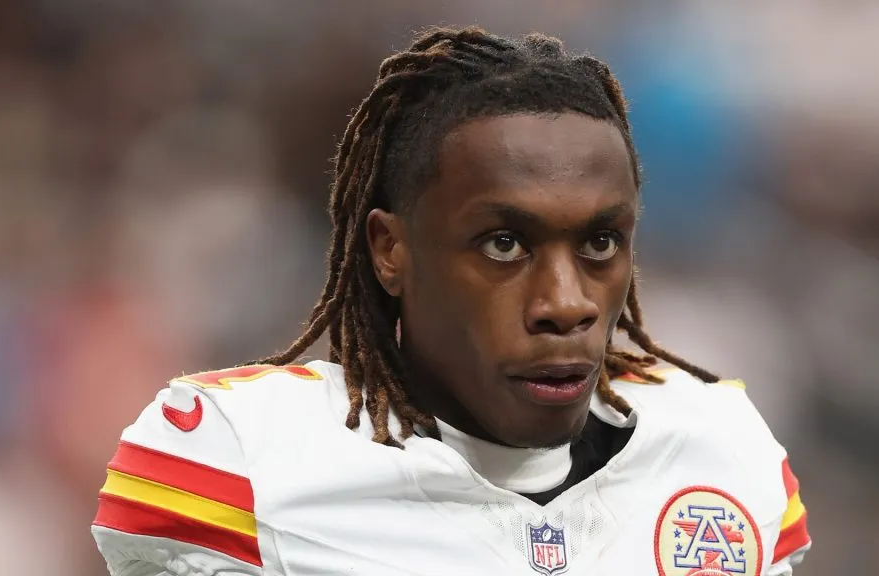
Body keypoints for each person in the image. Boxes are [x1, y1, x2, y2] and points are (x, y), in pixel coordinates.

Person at [91, 26, 811, 576]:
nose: (566, 304)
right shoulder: (239, 459)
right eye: (504, 243)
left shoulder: (720, 454)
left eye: (599, 243)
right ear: (389, 251)